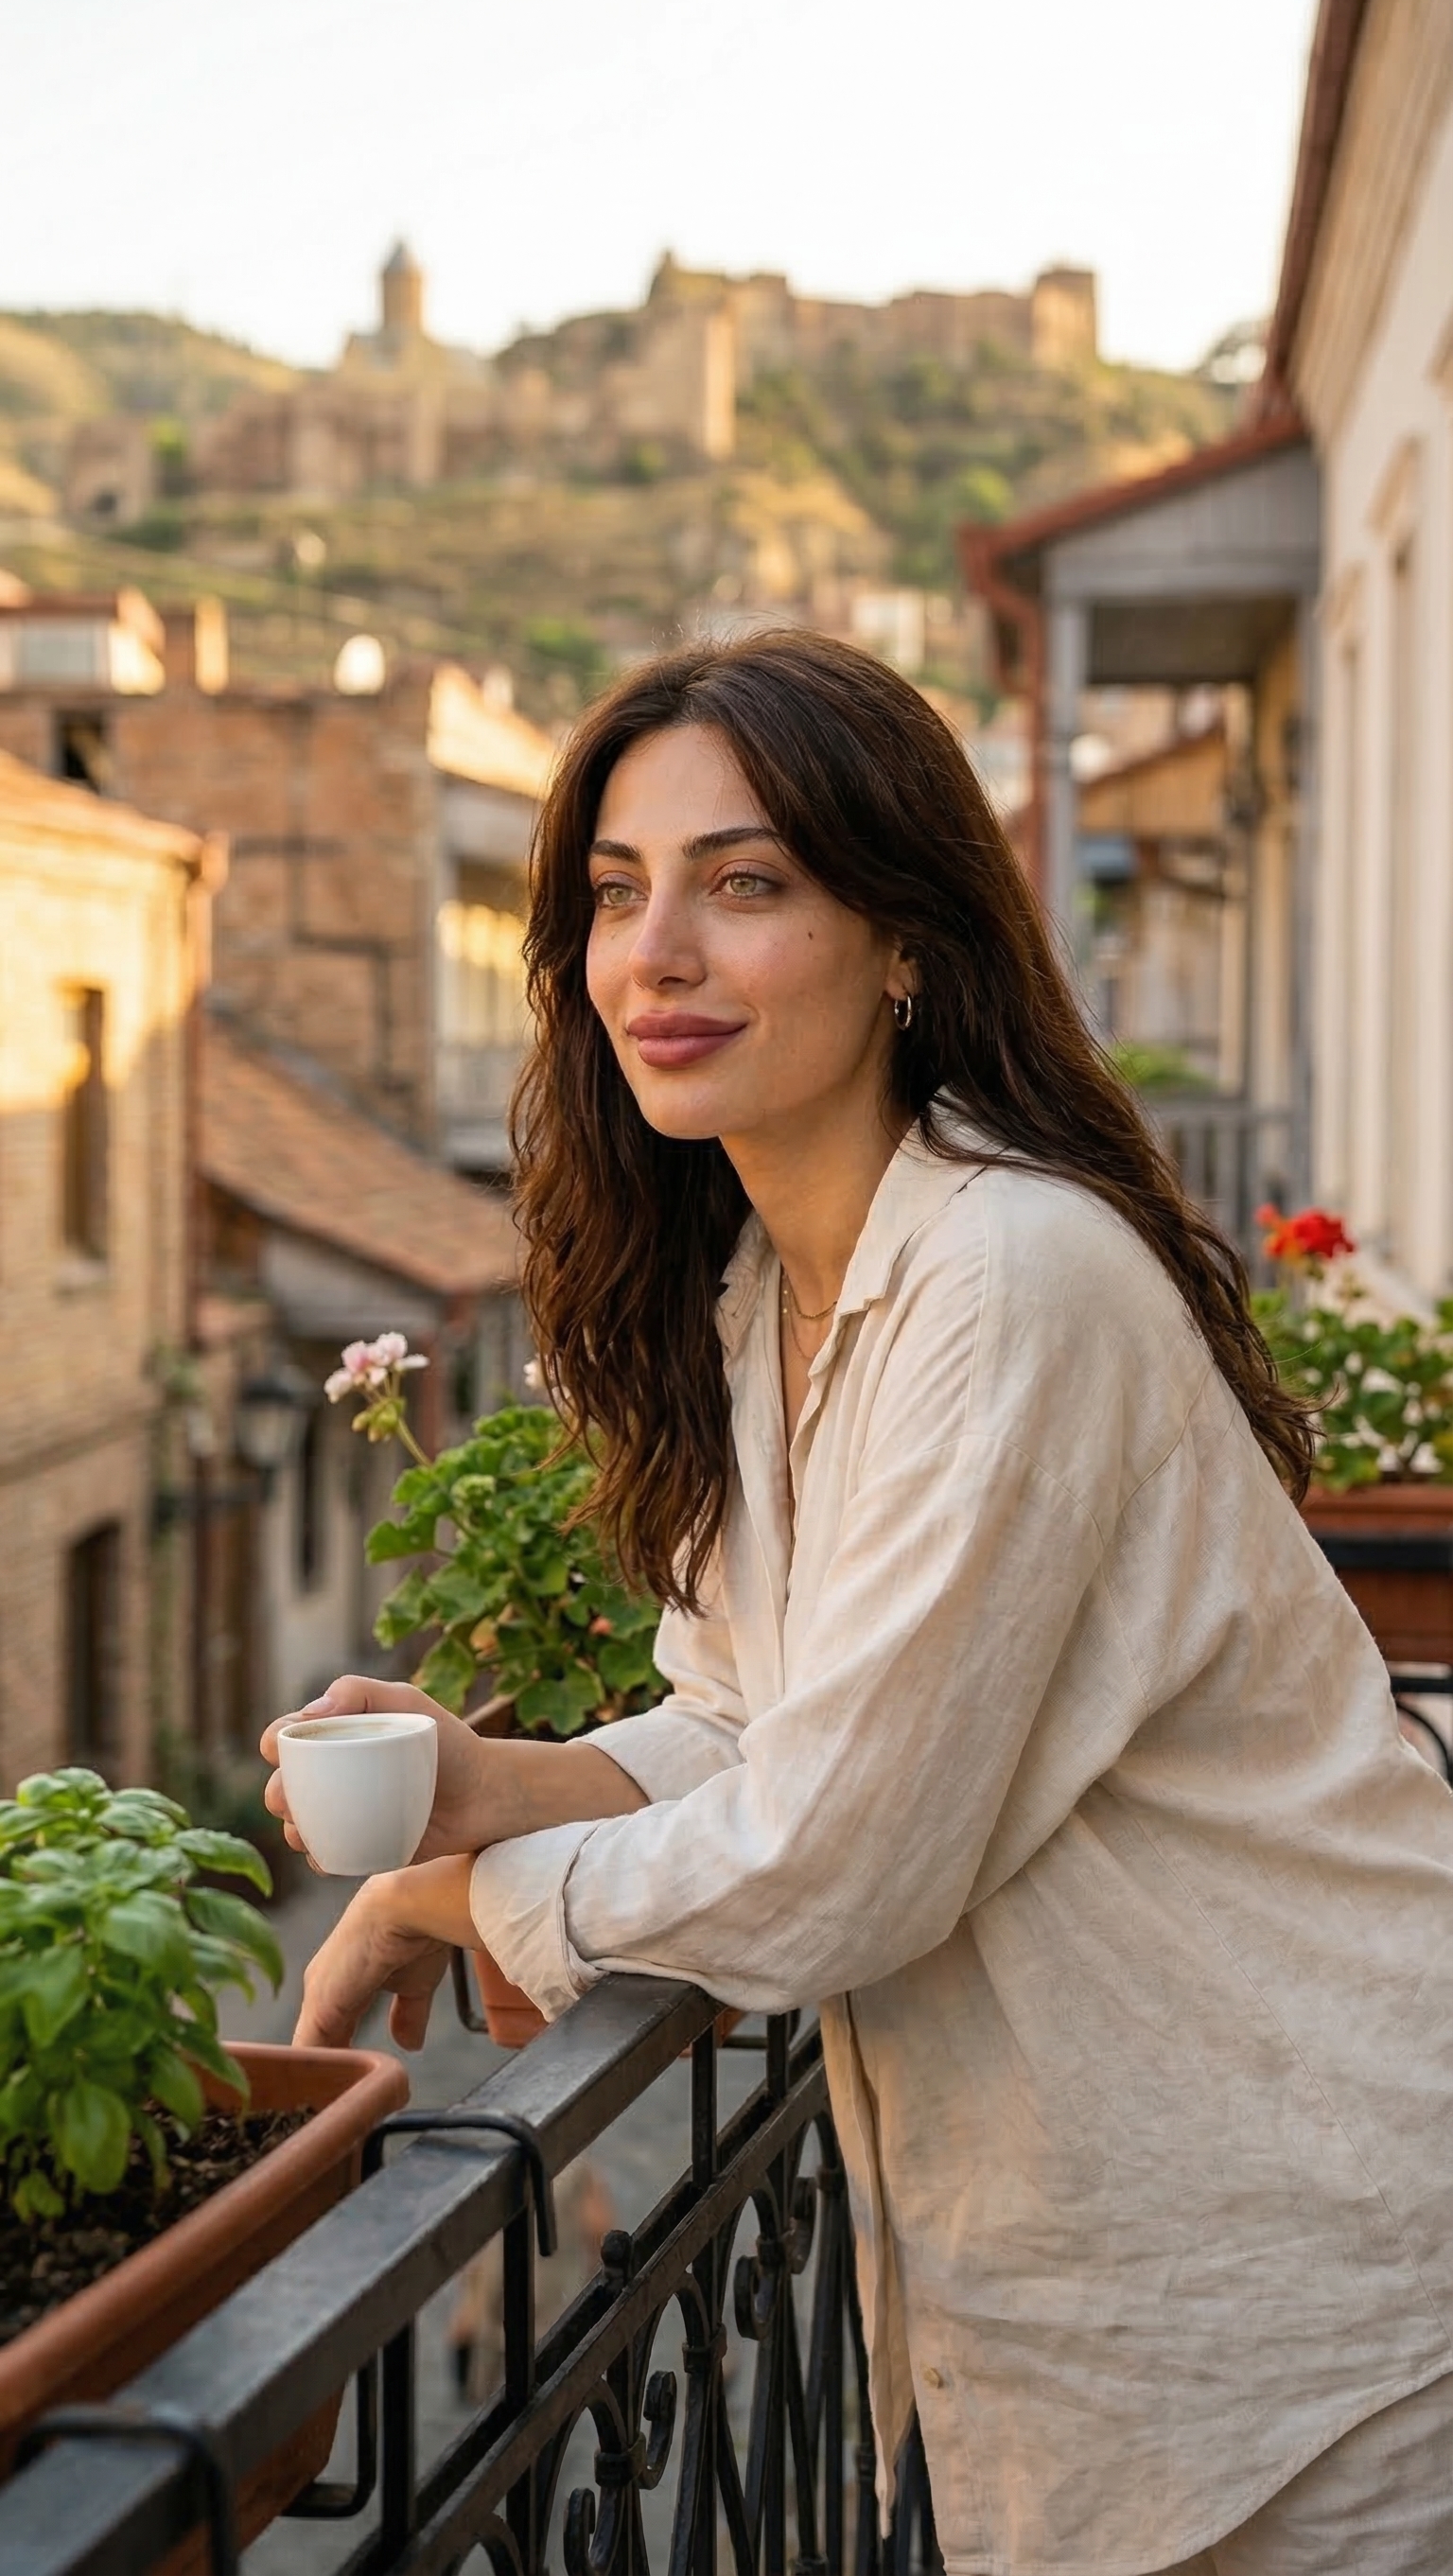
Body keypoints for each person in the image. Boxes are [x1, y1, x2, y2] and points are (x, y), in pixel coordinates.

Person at [263, 631, 1453, 2576]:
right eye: (616, 894)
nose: (658, 954)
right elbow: (749, 1723)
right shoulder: (770, 1296)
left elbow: (841, 1854)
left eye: (746, 885)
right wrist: (469, 1782)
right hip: (1140, 2305)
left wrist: (473, 1891)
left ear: (906, 939)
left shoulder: (1009, 1273)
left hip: (1311, 2286)